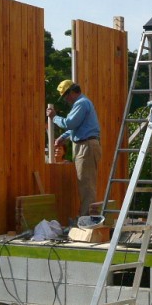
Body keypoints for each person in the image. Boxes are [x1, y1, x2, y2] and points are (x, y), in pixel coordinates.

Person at [46, 80, 102, 217]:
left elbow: (69, 123)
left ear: (71, 92)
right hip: (85, 145)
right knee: (85, 184)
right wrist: (63, 137)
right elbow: (76, 127)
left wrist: (54, 117)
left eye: (65, 96)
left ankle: (86, 220)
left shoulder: (81, 103)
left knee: (86, 186)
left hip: (86, 146)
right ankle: (86, 218)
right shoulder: (82, 103)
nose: (66, 100)